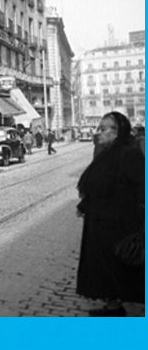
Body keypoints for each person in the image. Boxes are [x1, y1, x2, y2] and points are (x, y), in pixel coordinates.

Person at [76, 112, 144, 316]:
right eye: (100, 128)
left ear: (118, 132)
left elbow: (142, 187)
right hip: (100, 222)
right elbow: (97, 184)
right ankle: (112, 305)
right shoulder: (105, 154)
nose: (100, 132)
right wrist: (85, 204)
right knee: (104, 269)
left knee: (118, 268)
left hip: (119, 225)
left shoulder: (128, 154)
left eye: (105, 128)